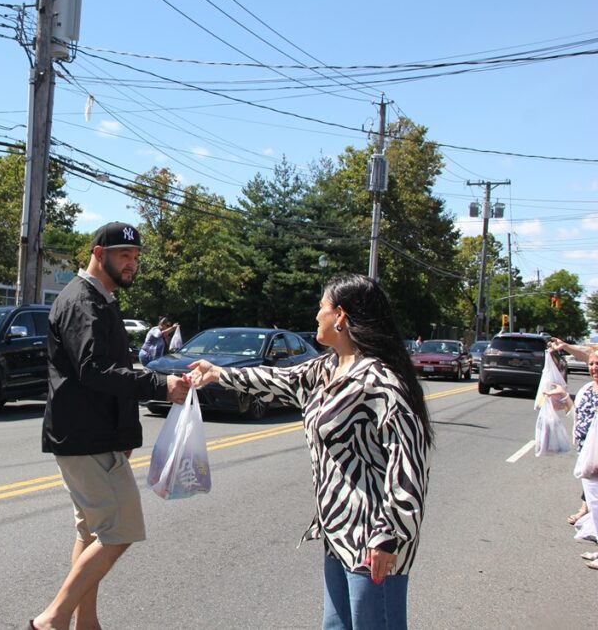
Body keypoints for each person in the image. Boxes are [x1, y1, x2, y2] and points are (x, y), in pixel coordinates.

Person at [187, 274, 433, 629]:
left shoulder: (380, 382)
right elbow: (277, 380)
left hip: (375, 541)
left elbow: (410, 466)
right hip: (337, 531)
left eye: (322, 307)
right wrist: (218, 374)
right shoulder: (326, 367)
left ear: (341, 317)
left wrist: (388, 536)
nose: (316, 315)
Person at [31, 222, 189, 630]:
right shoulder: (83, 302)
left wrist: (123, 434)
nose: (132, 263)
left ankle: (86, 623)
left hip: (90, 434)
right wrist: (159, 384)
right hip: (85, 437)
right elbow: (95, 371)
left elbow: (106, 371)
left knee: (91, 533)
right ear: (99, 254)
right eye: (124, 255)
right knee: (119, 532)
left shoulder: (100, 299)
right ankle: (52, 619)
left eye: (136, 257)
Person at [547, 339, 598, 555]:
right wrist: (563, 396)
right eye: (592, 364)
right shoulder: (587, 388)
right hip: (587, 455)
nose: (594, 368)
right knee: (595, 506)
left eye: (597, 364)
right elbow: (577, 415)